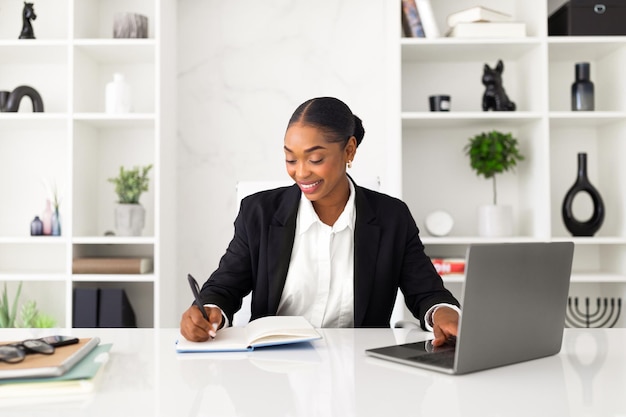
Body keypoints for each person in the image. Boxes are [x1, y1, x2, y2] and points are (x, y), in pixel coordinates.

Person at [180, 96, 460, 346]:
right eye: (291, 159)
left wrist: (443, 312)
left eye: (314, 159)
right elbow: (225, 287)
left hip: (362, 373)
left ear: (349, 150)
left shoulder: (391, 217)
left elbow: (427, 292)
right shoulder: (259, 213)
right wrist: (210, 310)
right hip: (275, 374)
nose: (301, 173)